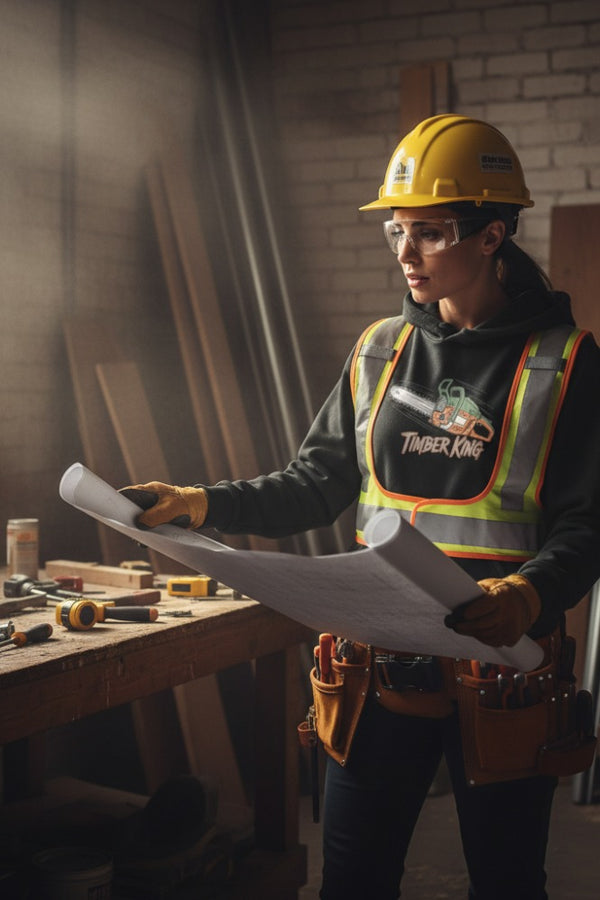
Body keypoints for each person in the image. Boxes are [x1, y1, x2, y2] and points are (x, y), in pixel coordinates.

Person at [121, 115, 600, 899]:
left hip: (501, 678)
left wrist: (529, 594)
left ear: (494, 235)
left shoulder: (565, 362)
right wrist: (200, 503)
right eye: (397, 232)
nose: (406, 254)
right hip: (376, 674)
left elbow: (588, 525)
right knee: (352, 881)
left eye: (431, 232)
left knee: (508, 883)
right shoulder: (380, 350)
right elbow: (313, 483)